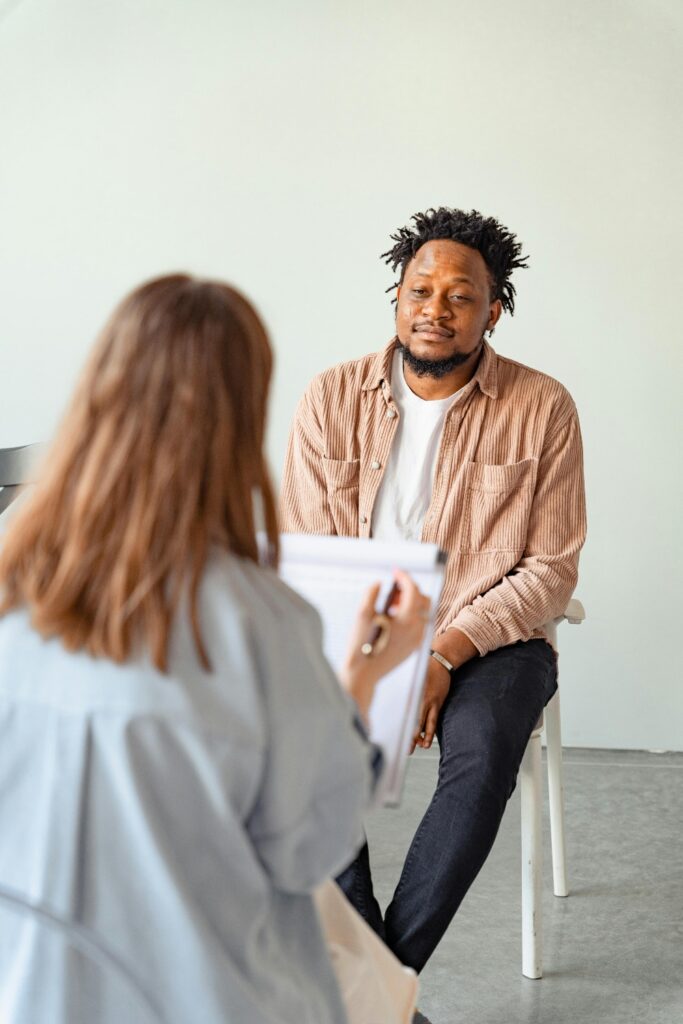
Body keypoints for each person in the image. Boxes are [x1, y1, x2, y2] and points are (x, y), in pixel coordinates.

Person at [0, 274, 431, 1024]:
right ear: (241, 417)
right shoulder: (258, 620)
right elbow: (308, 849)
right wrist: (362, 673)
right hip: (201, 996)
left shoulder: (15, 588)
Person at [280, 206, 587, 973]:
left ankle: (375, 984)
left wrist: (443, 653)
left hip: (489, 639)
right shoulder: (330, 397)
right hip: (359, 628)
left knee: (481, 757)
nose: (435, 310)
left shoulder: (541, 406)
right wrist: (386, 653)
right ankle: (379, 991)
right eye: (420, 290)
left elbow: (549, 568)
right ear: (396, 297)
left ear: (494, 310)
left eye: (459, 295)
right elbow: (311, 552)